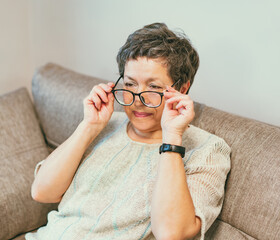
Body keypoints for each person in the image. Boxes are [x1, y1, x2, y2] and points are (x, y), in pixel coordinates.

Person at [26, 23, 231, 240]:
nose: (137, 101)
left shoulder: (208, 150)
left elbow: (171, 233)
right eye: (130, 84)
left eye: (153, 87)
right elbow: (41, 192)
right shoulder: (104, 124)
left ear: (181, 89)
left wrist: (171, 137)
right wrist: (88, 127)